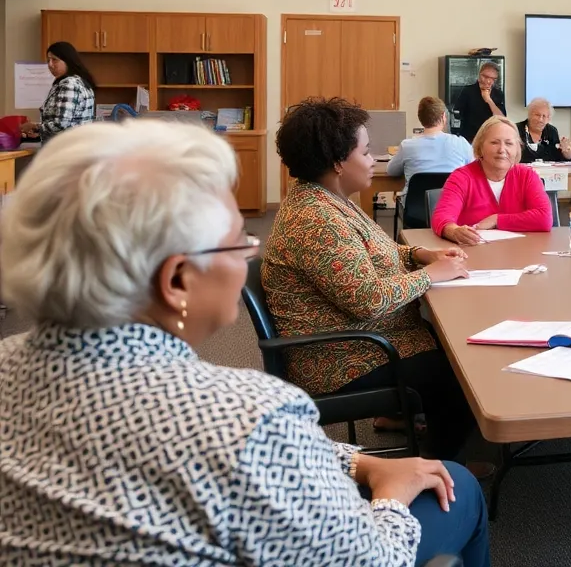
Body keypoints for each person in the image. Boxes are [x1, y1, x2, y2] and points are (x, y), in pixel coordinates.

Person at [0, 119, 490, 567]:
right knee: (460, 486)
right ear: (177, 281)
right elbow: (370, 560)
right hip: (345, 365)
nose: (253, 253)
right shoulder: (250, 416)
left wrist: (356, 461)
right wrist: (389, 499)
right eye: (239, 241)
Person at [263, 98, 479, 462]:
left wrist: (419, 255)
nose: (373, 159)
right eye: (365, 152)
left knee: (454, 345)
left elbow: (379, 253)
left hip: (363, 337)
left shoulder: (329, 199)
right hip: (339, 356)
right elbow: (368, 300)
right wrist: (430, 274)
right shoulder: (317, 219)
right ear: (336, 163)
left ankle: (403, 418)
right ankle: (444, 465)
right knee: (459, 372)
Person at [433, 115, 552, 245]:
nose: (502, 150)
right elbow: (442, 218)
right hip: (472, 256)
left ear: (517, 149)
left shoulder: (527, 176)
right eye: (494, 142)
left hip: (520, 255)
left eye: (509, 143)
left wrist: (497, 220)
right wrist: (454, 231)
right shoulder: (461, 178)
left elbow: (544, 219)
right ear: (480, 146)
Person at [20, 41, 96, 142]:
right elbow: (70, 123)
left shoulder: (69, 84)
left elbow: (61, 124)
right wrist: (40, 132)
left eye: (55, 60)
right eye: (48, 61)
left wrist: (34, 127)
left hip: (66, 149)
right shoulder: (79, 81)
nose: (50, 65)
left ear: (67, 61)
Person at [386, 95, 474, 180]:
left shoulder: (407, 146)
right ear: (443, 116)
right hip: (452, 194)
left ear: (420, 118)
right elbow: (476, 168)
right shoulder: (461, 143)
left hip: (417, 195)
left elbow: (391, 171)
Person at [453, 62, 505, 144]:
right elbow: (457, 114)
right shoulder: (468, 91)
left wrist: (489, 100)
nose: (488, 81)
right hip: (470, 138)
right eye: (485, 76)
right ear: (479, 75)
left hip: (490, 138)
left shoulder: (498, 94)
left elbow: (502, 119)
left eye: (492, 79)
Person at [517, 97, 571, 163]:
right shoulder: (517, 129)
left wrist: (567, 151)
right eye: (537, 115)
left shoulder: (551, 131)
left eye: (544, 116)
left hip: (548, 172)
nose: (540, 119)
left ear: (548, 118)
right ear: (529, 114)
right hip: (523, 171)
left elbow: (558, 156)